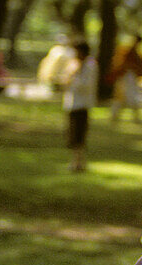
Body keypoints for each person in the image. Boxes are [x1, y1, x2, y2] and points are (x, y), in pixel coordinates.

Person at [63, 40, 97, 173]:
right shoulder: (76, 64)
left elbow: (86, 85)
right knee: (72, 135)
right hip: (72, 103)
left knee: (79, 135)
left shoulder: (90, 66)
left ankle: (79, 162)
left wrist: (72, 77)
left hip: (82, 104)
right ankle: (76, 161)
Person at [108, 35, 142, 123]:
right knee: (122, 98)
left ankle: (132, 117)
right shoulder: (128, 51)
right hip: (125, 76)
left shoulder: (134, 52)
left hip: (130, 76)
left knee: (129, 98)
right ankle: (115, 116)